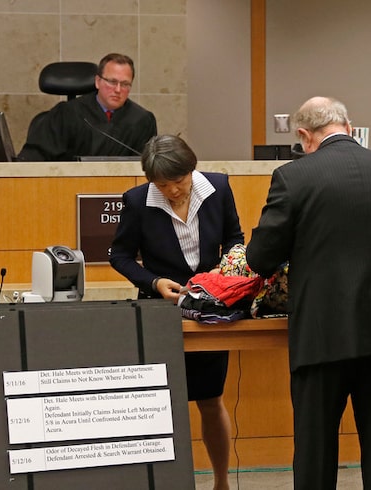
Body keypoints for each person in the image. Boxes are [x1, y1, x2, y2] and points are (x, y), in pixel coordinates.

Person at [245, 96, 371, 490]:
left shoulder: (293, 177)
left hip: (322, 332)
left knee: (315, 450)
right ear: (348, 125)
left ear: (304, 136)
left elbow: (261, 258)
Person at [110, 134, 242, 490]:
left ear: (191, 170)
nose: (171, 191)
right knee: (160, 403)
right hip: (161, 311)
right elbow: (119, 255)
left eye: (179, 182)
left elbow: (234, 238)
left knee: (211, 399)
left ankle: (221, 481)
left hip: (210, 307)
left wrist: (225, 268)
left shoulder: (217, 187)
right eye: (162, 184)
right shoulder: (137, 201)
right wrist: (154, 283)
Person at [18, 52, 158, 161]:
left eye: (125, 84)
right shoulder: (66, 113)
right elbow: (33, 158)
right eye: (112, 82)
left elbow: (148, 170)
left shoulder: (142, 120)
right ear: (97, 82)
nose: (118, 89)